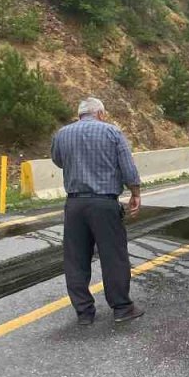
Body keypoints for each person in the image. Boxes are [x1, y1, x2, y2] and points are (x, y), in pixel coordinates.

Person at [50, 97, 144, 326]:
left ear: (80, 114)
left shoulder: (62, 134)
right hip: (104, 203)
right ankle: (122, 308)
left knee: (76, 259)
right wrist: (135, 192)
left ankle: (84, 312)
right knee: (113, 256)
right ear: (100, 113)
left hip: (74, 205)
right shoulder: (112, 132)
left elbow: (58, 160)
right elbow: (127, 167)